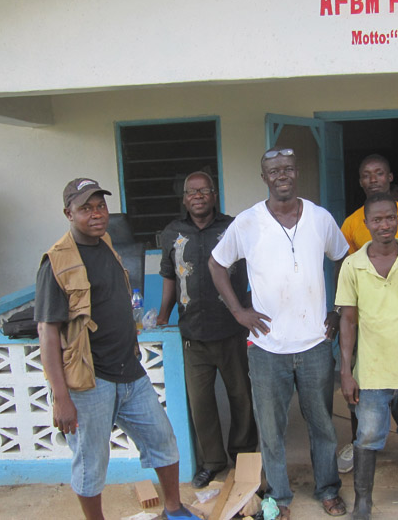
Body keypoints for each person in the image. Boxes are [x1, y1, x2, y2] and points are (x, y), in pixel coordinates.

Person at [35, 178, 199, 520]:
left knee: (163, 440)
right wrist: (61, 396)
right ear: (68, 213)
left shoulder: (106, 243)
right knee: (91, 463)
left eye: (100, 206)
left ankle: (173, 509)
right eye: (85, 209)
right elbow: (48, 334)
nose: (96, 215)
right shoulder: (57, 263)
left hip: (130, 371)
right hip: (89, 380)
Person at [208, 147, 349, 519]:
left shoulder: (319, 218)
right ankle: (279, 498)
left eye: (287, 168)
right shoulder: (247, 222)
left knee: (322, 424)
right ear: (264, 177)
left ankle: (328, 489)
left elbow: (345, 259)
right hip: (267, 347)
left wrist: (336, 309)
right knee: (270, 429)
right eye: (274, 171)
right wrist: (238, 310)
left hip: (316, 344)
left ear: (296, 172)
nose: (281, 175)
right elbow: (216, 263)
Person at [336, 192, 398, 520]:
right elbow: (348, 320)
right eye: (377, 220)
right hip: (371, 374)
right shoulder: (353, 265)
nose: (384, 225)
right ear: (365, 224)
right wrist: (346, 371)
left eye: (390, 218)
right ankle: (362, 502)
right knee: (366, 436)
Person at [157, 171, 257, 489]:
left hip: (231, 330)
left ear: (215, 195)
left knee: (240, 396)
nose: (198, 196)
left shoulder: (234, 228)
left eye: (205, 190)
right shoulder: (172, 232)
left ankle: (243, 456)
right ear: (184, 198)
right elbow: (170, 277)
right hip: (192, 334)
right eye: (192, 191)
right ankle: (212, 461)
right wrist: (163, 315)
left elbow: (257, 267)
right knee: (201, 402)